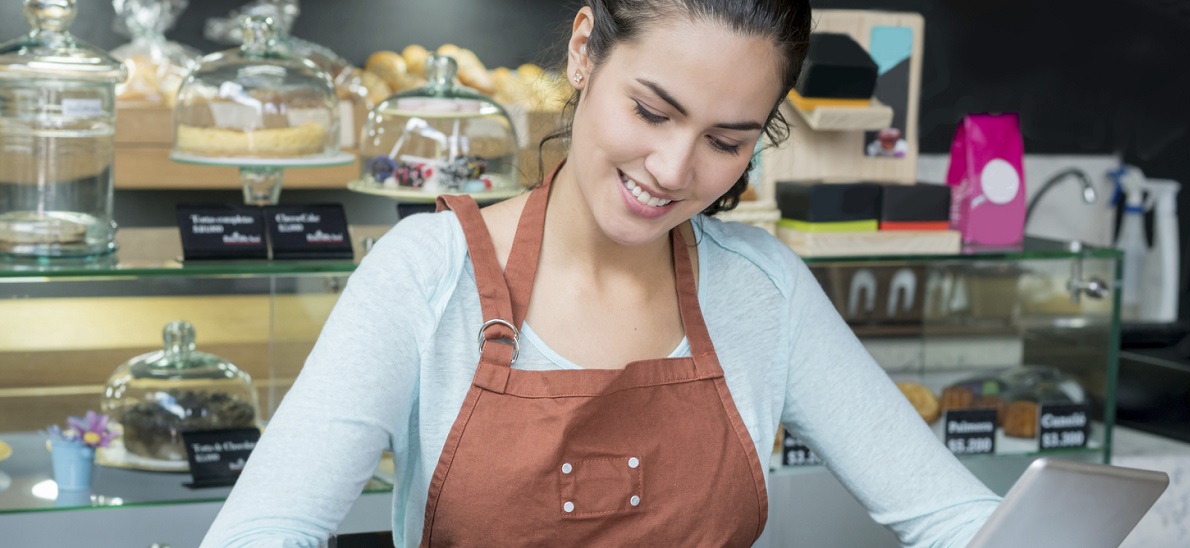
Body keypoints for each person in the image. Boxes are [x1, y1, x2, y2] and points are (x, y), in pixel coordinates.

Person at [202, 1, 1001, 546]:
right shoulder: (425, 275)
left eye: (727, 142)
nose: (673, 168)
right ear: (584, 49)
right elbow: (260, 532)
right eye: (652, 112)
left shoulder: (764, 290)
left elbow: (959, 516)